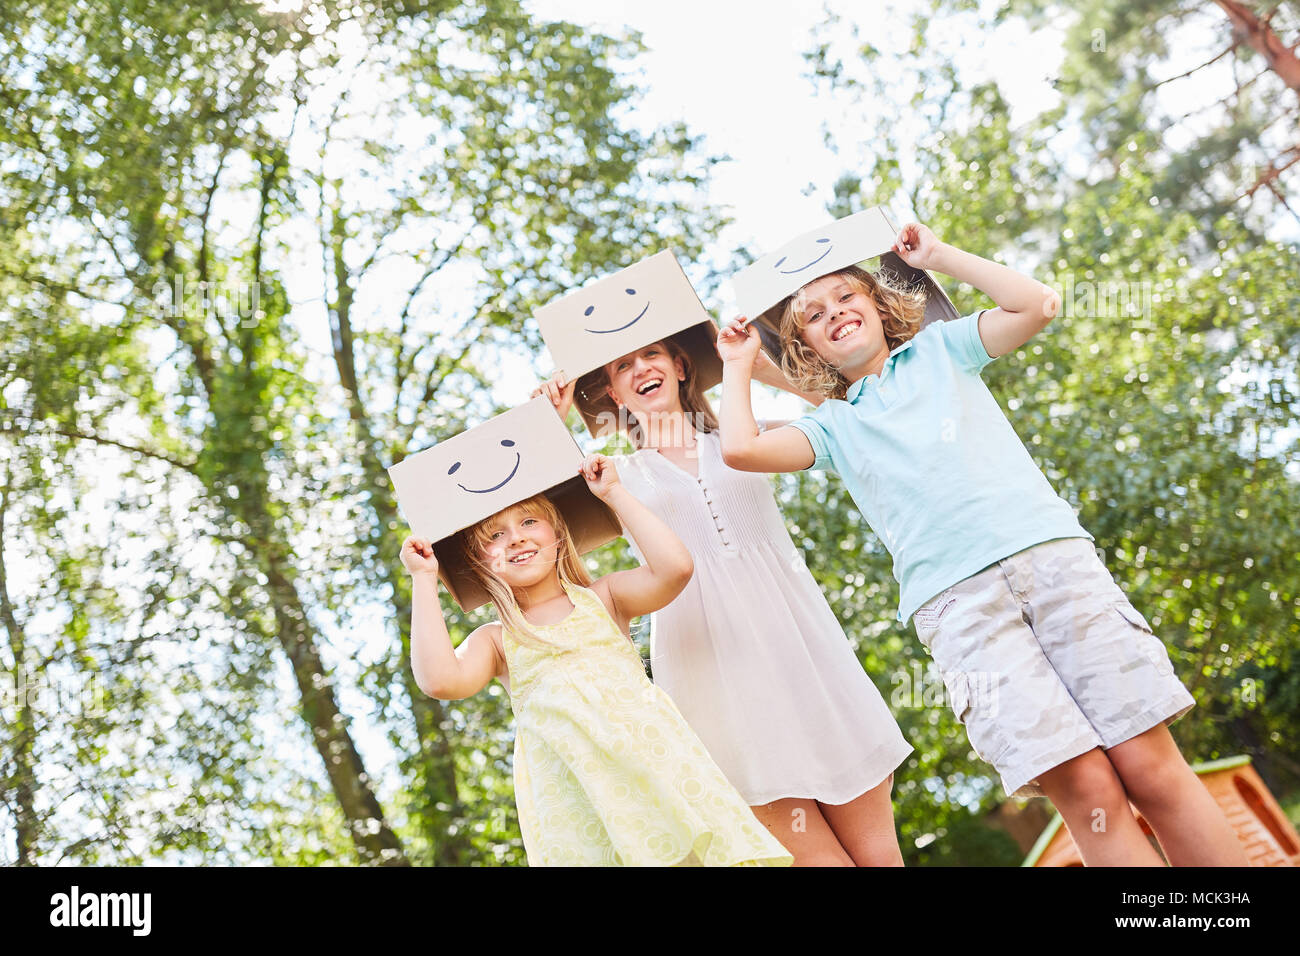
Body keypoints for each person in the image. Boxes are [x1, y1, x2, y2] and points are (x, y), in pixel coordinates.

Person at [715, 220, 1248, 866]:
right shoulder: (832, 428)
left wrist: (937, 255)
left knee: (1148, 764)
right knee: (1087, 788)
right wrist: (738, 365)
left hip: (1052, 564)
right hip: (961, 612)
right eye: (813, 317)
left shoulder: (943, 350)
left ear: (879, 305)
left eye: (845, 298)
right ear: (807, 352)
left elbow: (1037, 304)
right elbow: (741, 448)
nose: (835, 315)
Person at [534, 338, 911, 867]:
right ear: (612, 393)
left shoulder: (745, 438)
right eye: (624, 366)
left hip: (802, 653)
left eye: (653, 356)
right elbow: (536, 531)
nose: (642, 369)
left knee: (879, 854)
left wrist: (751, 367)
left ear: (681, 366)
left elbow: (849, 410)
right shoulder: (614, 479)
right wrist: (548, 427)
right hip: (713, 678)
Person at [400, 452, 792, 867]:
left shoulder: (605, 599)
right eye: (494, 535)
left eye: (529, 522)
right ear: (480, 561)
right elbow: (440, 680)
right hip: (584, 802)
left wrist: (614, 493)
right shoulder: (497, 641)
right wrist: (424, 580)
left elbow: (675, 569)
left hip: (657, 773)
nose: (515, 538)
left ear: (558, 534)